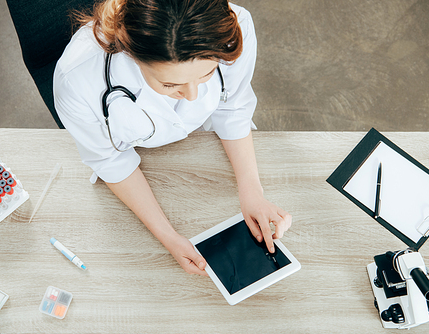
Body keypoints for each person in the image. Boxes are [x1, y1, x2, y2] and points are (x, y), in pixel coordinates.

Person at [54, 0, 292, 276]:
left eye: (207, 74)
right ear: (133, 55)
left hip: (205, 143)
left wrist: (252, 191)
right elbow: (110, 160)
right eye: (170, 84)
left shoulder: (234, 26)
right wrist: (169, 237)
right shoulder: (77, 78)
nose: (192, 95)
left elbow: (232, 107)